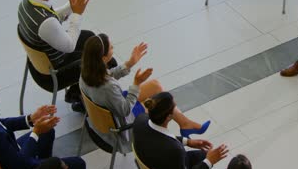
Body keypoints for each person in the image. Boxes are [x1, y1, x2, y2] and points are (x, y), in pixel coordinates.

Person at [79, 33, 210, 153]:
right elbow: (125, 110)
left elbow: (109, 75)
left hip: (108, 110)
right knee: (163, 102)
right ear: (103, 58)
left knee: (155, 85)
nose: (114, 48)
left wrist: (130, 63)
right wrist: (136, 83)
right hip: (123, 124)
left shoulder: (87, 72)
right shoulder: (108, 86)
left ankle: (185, 123)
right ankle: (177, 136)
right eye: (111, 47)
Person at [17, 0, 117, 112]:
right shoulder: (45, 23)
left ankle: (76, 92)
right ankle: (96, 104)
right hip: (55, 72)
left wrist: (70, 6)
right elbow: (69, 45)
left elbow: (51, 17)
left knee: (90, 38)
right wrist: (77, 13)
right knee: (105, 60)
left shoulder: (26, 3)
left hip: (38, 63)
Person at [0, 78, 86, 169]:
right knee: (78, 163)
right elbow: (21, 163)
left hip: (8, 153)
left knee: (47, 131)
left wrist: (30, 118)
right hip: (18, 166)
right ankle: (42, 167)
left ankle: (44, 165)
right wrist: (36, 131)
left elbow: (1, 123)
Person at [133, 92, 228, 169]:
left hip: (155, 159)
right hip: (171, 164)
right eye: (175, 106)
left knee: (204, 153)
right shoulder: (175, 150)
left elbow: (159, 135)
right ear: (169, 117)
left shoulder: (140, 120)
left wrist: (187, 142)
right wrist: (209, 162)